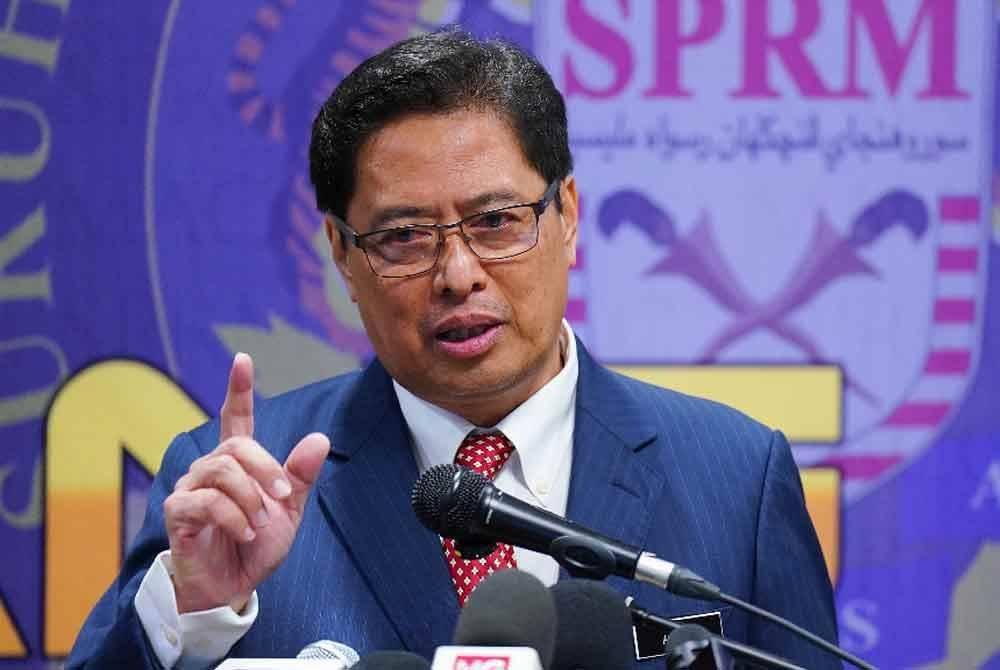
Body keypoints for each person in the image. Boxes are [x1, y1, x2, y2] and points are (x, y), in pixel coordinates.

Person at [67, 30, 838, 669]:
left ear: (567, 215)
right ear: (342, 254)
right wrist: (191, 611)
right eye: (404, 236)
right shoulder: (244, 489)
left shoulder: (734, 478)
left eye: (496, 221)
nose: (458, 274)